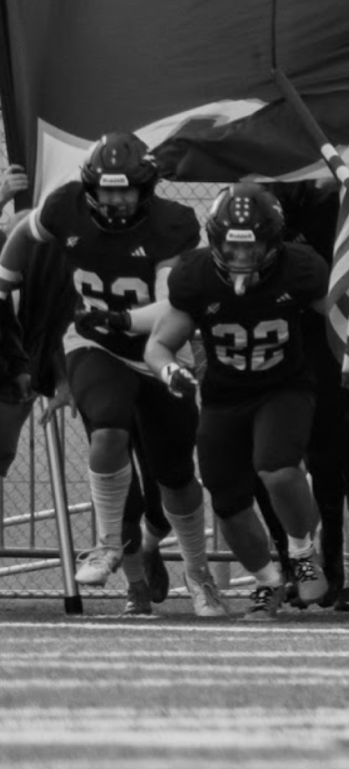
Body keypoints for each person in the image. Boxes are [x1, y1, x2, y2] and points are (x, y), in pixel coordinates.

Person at [0, 133, 225, 617]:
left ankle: (198, 573)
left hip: (158, 349)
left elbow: (168, 302)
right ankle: (106, 545)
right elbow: (24, 233)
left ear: (146, 188)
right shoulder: (65, 207)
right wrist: (5, 279)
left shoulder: (173, 222)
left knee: (176, 477)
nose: (117, 200)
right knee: (107, 429)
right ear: (89, 188)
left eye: (126, 190)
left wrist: (122, 319)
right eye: (107, 190)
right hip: (93, 342)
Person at [144, 184, 332, 620]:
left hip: (283, 386)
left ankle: (302, 551)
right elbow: (159, 345)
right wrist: (169, 371)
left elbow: (346, 315)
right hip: (225, 396)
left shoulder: (299, 269)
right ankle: (269, 582)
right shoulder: (196, 277)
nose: (242, 257)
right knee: (227, 500)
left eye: (253, 247)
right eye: (232, 245)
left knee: (278, 466)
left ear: (274, 241)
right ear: (216, 239)